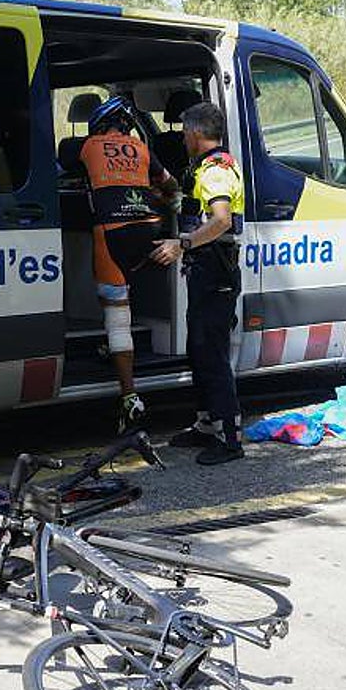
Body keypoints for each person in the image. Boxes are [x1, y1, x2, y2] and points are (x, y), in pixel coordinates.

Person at [149, 101, 245, 465]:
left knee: (213, 354)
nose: (183, 137)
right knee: (199, 349)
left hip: (215, 271)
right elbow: (197, 210)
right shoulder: (207, 167)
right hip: (207, 271)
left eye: (185, 131)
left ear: (195, 133)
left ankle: (230, 438)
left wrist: (182, 244)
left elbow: (220, 221)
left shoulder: (216, 171)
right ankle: (206, 424)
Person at [79, 94, 180, 433]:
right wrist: (163, 198)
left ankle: (129, 396)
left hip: (112, 231)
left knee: (114, 308)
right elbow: (171, 186)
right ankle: (114, 343)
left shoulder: (88, 146)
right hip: (148, 227)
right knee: (124, 297)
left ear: (98, 126)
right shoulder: (143, 148)